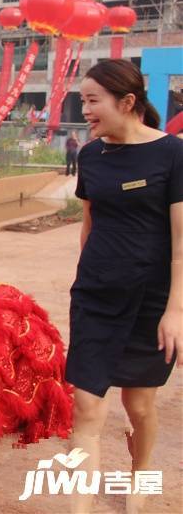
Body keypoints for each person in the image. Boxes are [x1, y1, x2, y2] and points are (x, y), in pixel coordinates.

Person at [67, 59, 182, 514]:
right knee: (86, 410)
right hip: (96, 298)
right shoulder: (92, 155)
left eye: (93, 100)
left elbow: (180, 244)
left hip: (149, 303)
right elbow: (88, 226)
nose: (86, 110)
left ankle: (140, 478)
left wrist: (175, 310)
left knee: (139, 407)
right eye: (83, 101)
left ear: (127, 102)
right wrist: (86, 281)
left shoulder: (172, 153)